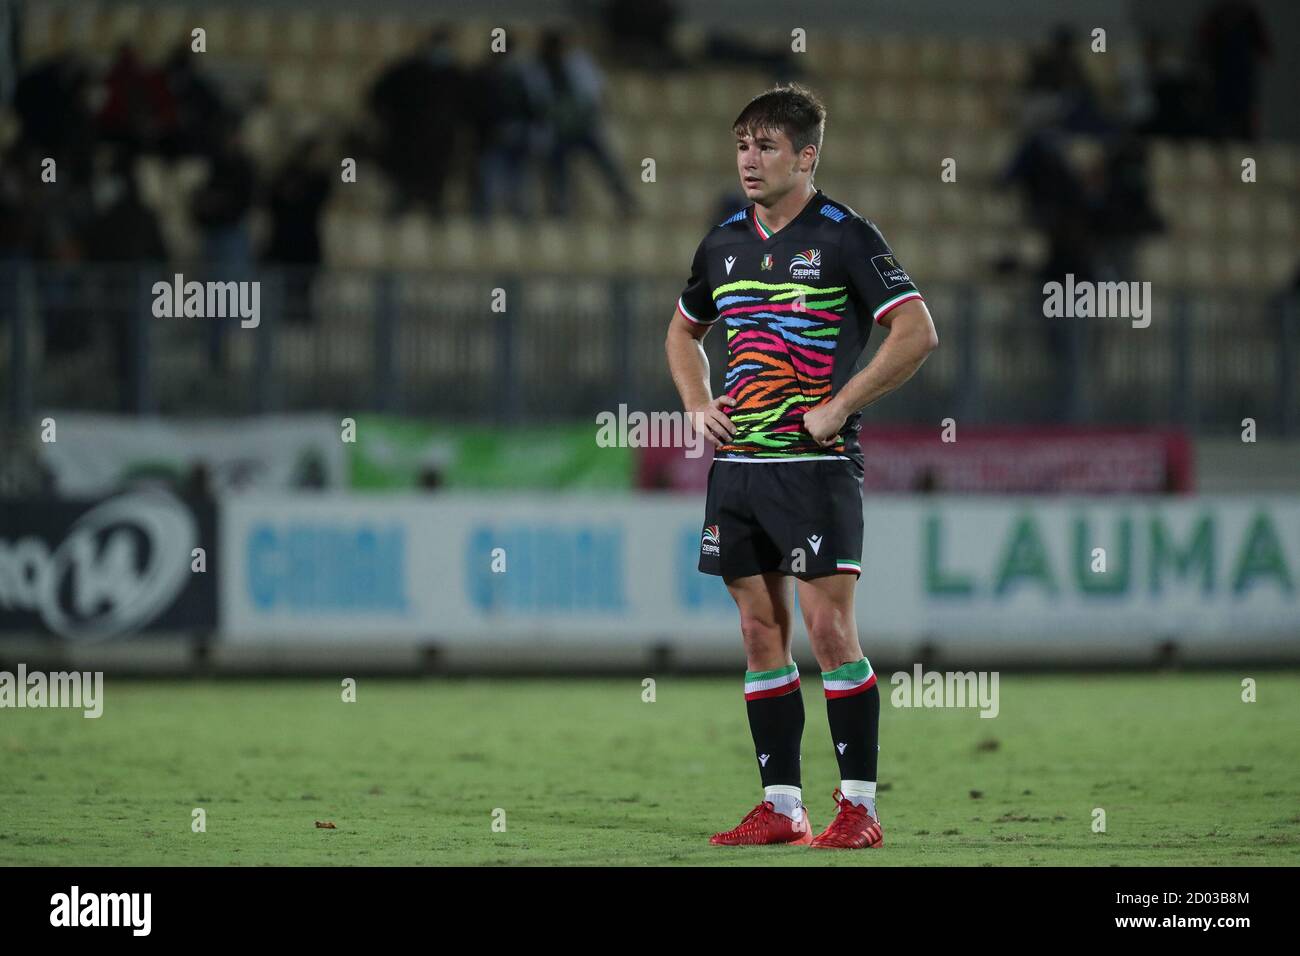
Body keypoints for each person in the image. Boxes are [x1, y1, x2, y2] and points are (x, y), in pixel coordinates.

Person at [664, 84, 938, 849]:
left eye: (767, 147)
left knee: (827, 630)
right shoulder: (722, 242)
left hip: (814, 469)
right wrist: (697, 402)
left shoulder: (847, 236)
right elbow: (682, 335)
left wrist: (841, 405)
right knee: (759, 633)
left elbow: (916, 332)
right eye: (742, 145)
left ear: (806, 156)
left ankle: (860, 808)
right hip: (738, 469)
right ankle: (782, 807)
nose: (749, 160)